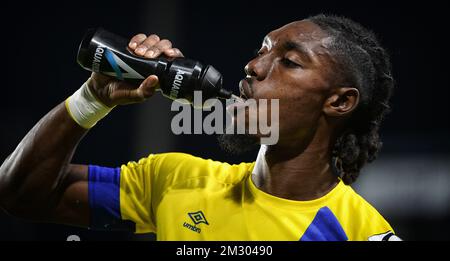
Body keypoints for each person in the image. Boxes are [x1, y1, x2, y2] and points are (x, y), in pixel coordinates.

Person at [0, 14, 400, 241]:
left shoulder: (361, 232)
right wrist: (93, 99)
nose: (254, 67)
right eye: (262, 50)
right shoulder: (176, 179)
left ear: (339, 101)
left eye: (290, 62)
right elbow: (20, 195)